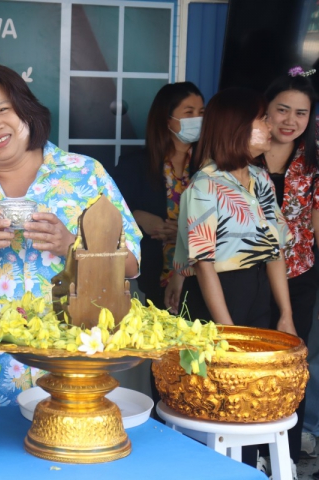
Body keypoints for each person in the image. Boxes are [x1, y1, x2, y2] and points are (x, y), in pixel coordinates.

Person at [0, 64, 141, 409]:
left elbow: (132, 265)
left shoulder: (85, 174)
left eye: (3, 109)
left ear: (25, 110)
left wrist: (72, 246)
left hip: (73, 365)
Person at [171, 87, 295, 465]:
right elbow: (204, 263)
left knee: (252, 394)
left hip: (258, 289)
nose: (270, 126)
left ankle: (249, 468)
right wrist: (226, 331)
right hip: (217, 296)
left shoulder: (260, 178)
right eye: (262, 119)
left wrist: (285, 315)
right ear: (236, 127)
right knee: (215, 394)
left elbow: (274, 251)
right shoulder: (204, 185)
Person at [254, 67, 319, 466]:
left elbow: (315, 217)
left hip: (298, 275)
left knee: (292, 362)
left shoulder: (313, 159)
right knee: (251, 360)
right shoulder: (244, 151)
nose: (290, 121)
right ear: (266, 109)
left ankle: (285, 456)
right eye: (282, 109)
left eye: (301, 113)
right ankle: (250, 453)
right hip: (245, 276)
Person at [112, 82, 204, 311]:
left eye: (201, 112)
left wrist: (184, 233)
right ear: (167, 119)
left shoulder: (210, 166)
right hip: (152, 277)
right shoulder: (135, 165)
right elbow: (108, 214)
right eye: (189, 112)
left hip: (202, 278)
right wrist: (137, 216)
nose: (198, 119)